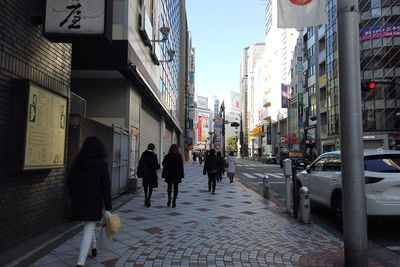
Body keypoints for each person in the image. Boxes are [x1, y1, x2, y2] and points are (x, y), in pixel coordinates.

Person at [67, 136, 112, 267]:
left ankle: (94, 246)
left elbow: (70, 182)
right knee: (88, 227)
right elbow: (106, 185)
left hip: (79, 200)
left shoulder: (77, 162)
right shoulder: (101, 164)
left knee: (88, 225)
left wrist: (74, 197)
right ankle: (80, 262)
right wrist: (108, 205)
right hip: (93, 200)